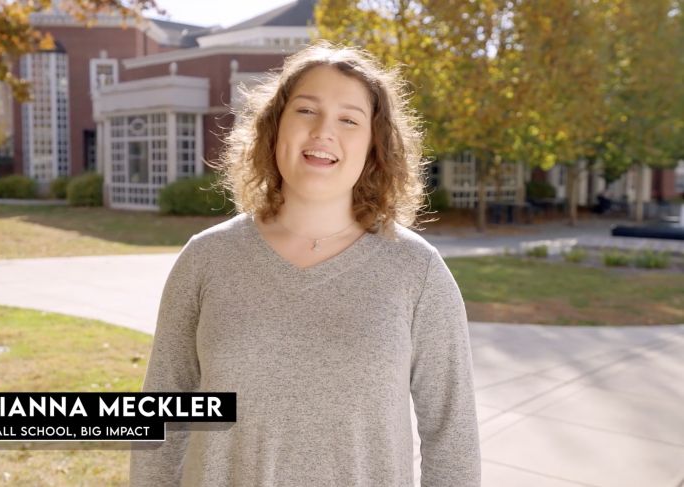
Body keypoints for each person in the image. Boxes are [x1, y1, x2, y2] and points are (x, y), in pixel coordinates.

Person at [130, 41, 480, 487]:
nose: (323, 132)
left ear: (375, 145)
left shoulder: (418, 272)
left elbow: (453, 443)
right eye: (306, 111)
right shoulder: (206, 259)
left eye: (349, 120)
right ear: (275, 128)